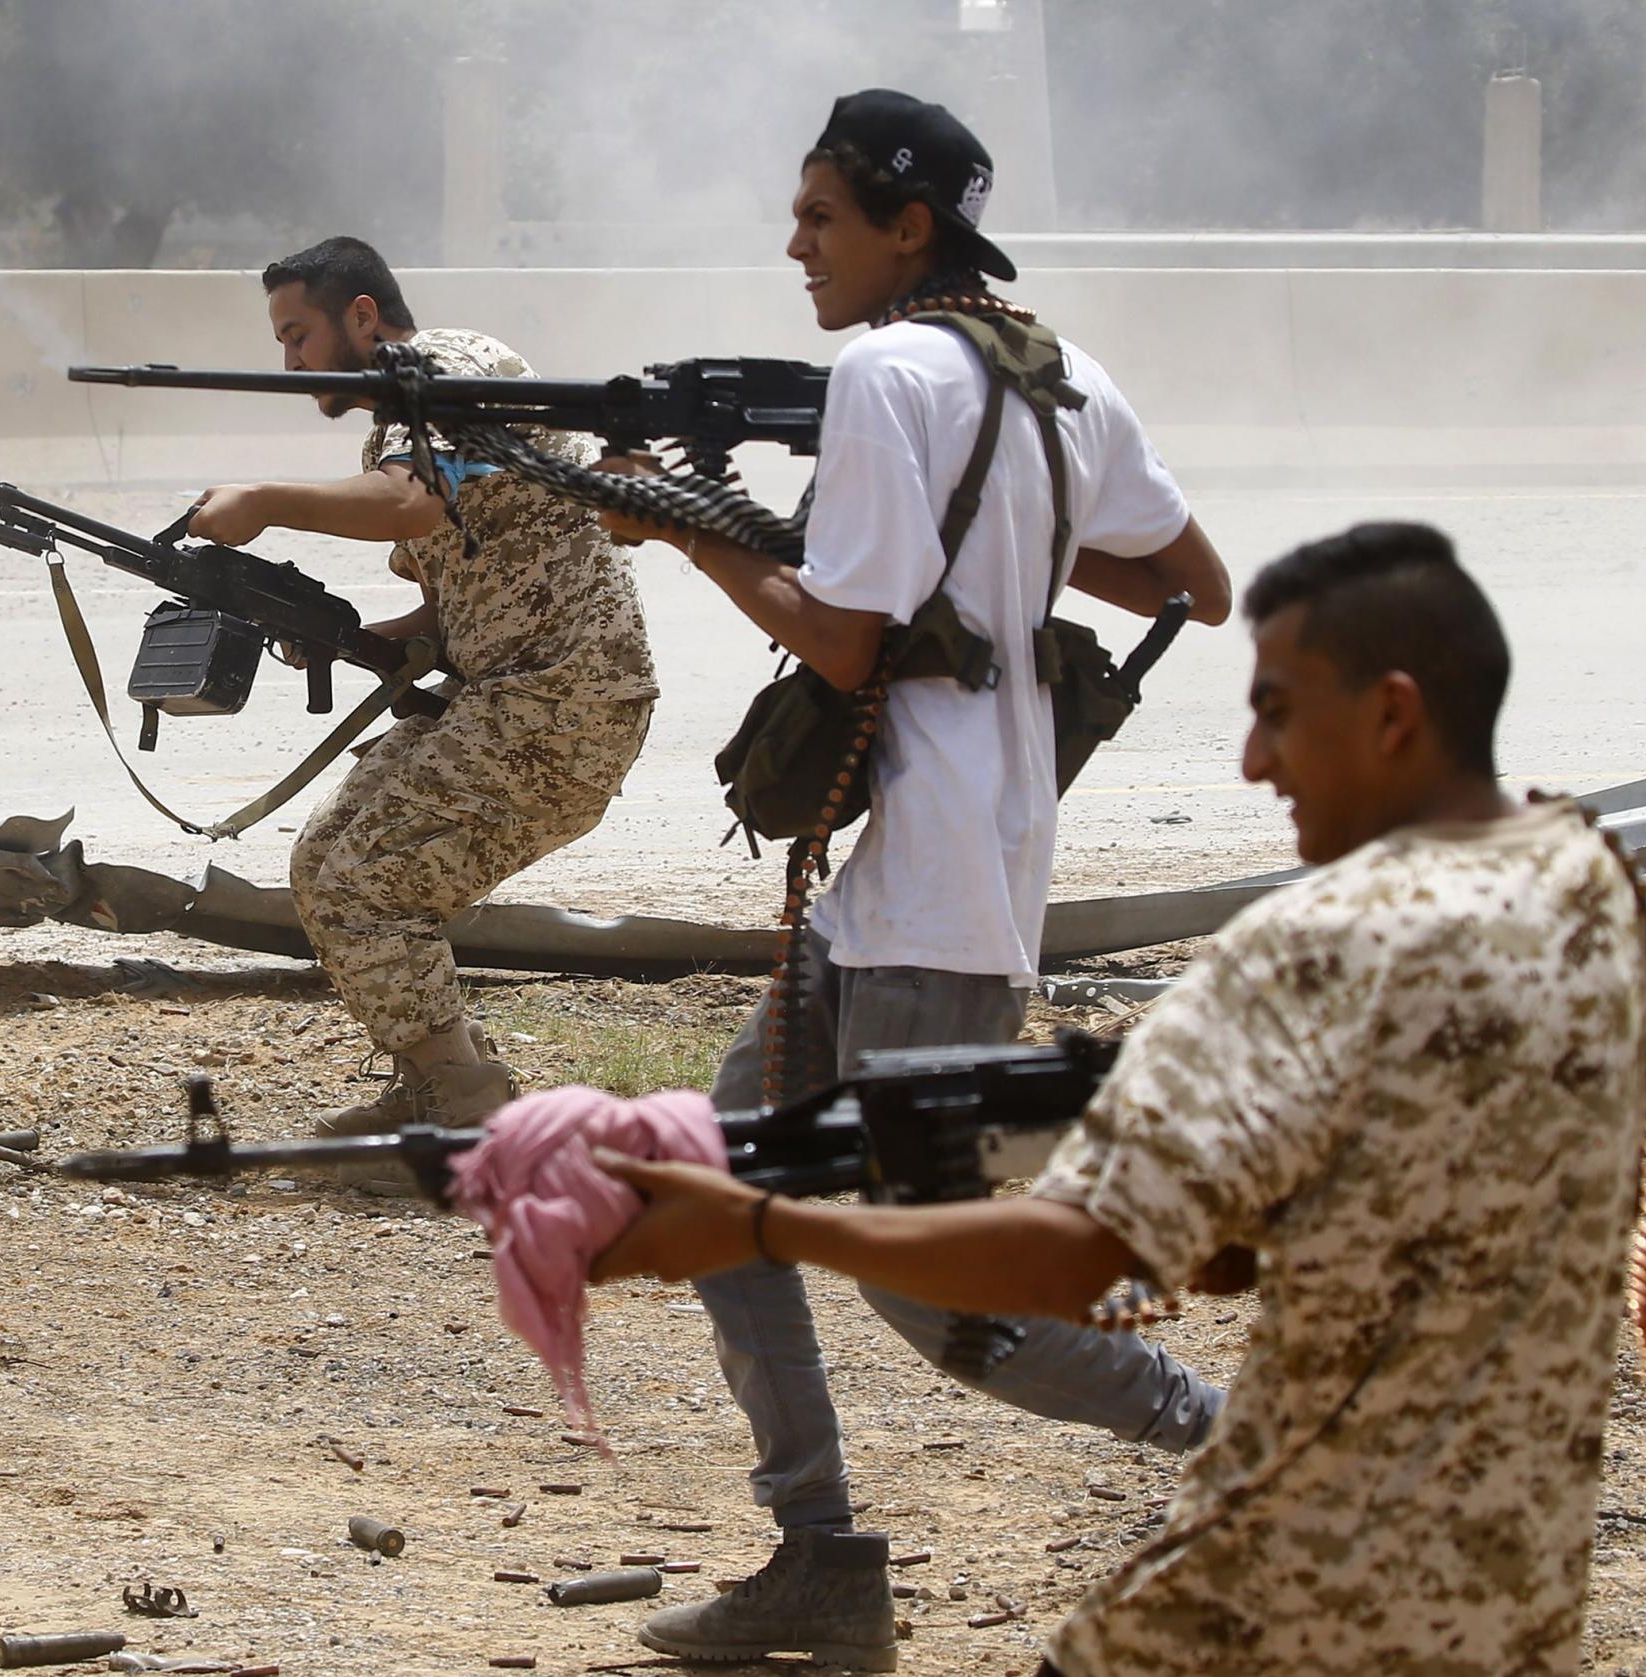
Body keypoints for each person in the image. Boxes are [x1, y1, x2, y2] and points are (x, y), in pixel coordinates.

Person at [594, 522, 1646, 1677]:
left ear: (1393, 715)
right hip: (1502, 1566)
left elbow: (1064, 1259)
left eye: (1280, 714)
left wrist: (762, 1220)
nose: (1253, 761)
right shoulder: (1580, 899)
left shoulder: (1312, 952)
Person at [591, 90, 1231, 1669]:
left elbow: (843, 635)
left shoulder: (888, 368)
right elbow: (1195, 584)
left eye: (821, 218)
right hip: (936, 868)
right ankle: (819, 1557)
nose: (794, 245)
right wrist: (1019, 520)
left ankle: (1242, 1440)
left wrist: (676, 526)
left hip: (937, 890)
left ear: (908, 228)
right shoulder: (1064, 371)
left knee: (942, 1299)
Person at [187, 237, 657, 1165]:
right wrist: (355, 635)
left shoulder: (450, 371)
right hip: (512, 700)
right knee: (327, 862)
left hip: (563, 702)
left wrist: (264, 499)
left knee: (373, 882)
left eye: (300, 335)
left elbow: (410, 506)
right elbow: (453, 606)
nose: (292, 363)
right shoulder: (395, 426)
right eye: (280, 342)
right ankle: (435, 1082)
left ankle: (466, 1114)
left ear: (363, 316)